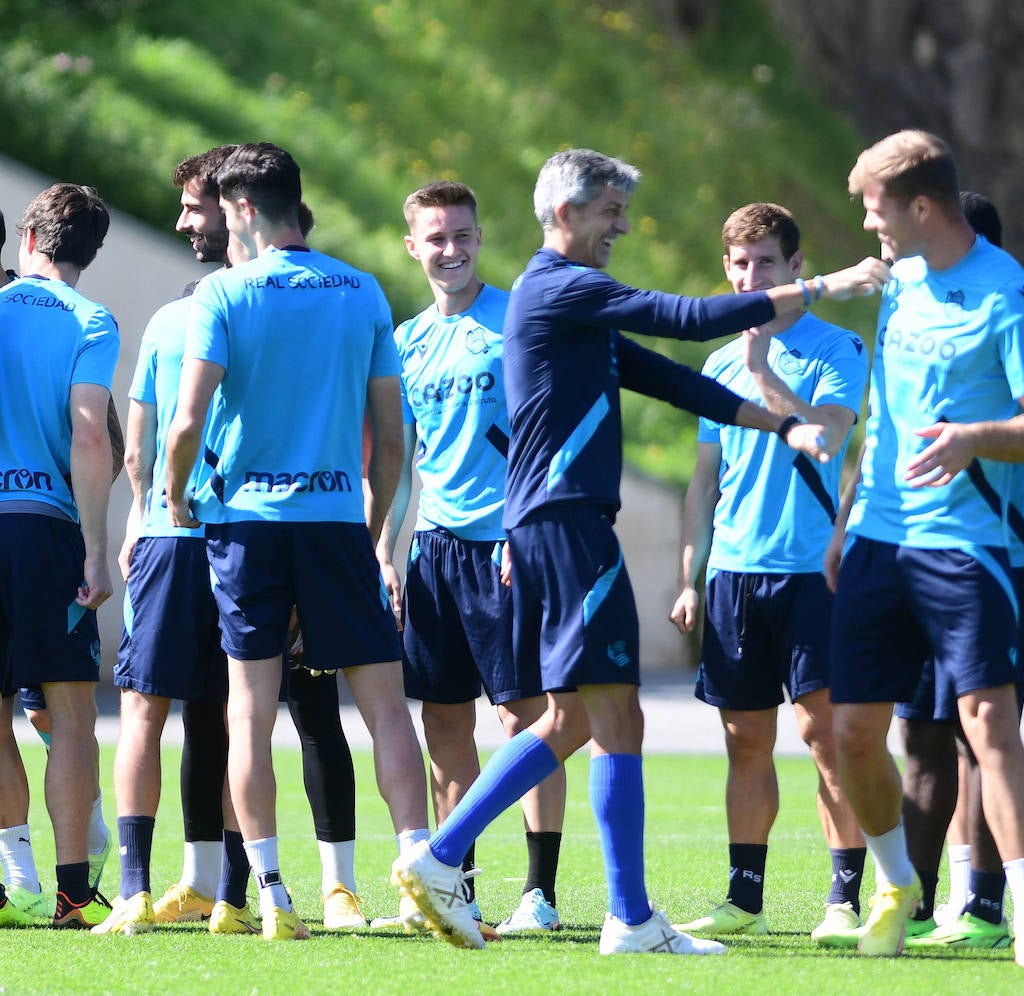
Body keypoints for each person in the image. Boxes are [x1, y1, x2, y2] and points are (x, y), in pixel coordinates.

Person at [390, 147, 888, 955]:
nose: (621, 225)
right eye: (610, 210)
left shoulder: (567, 307)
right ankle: (510, 878)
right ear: (566, 213)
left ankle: (562, 895)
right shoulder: (559, 285)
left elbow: (674, 380)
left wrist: (784, 426)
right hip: (567, 526)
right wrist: (829, 284)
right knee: (605, 712)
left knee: (581, 715)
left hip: (556, 527)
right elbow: (690, 319)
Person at [164, 142, 428, 942]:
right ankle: (423, 874)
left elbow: (185, 422)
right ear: (292, 200)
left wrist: (177, 503)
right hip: (338, 523)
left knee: (248, 711)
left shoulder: (225, 294)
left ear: (241, 207)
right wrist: (374, 526)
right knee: (384, 707)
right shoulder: (364, 291)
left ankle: (272, 894)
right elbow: (391, 435)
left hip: (248, 528)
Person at [823, 130, 1024, 967]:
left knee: (986, 721)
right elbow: (885, 413)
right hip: (878, 540)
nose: (868, 225)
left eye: (874, 208)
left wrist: (974, 438)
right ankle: (897, 885)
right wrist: (846, 519)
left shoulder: (1011, 295)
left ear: (922, 207)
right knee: (852, 729)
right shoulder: (903, 285)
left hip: (967, 540)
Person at [668, 203, 869, 942]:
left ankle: (844, 901)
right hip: (735, 577)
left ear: (795, 270)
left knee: (826, 735)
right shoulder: (716, 362)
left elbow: (828, 437)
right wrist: (692, 575)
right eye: (741, 264)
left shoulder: (837, 347)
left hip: (812, 573)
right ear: (728, 270)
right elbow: (703, 481)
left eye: (768, 264)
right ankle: (743, 899)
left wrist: (762, 373)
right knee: (743, 739)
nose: (754, 276)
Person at [375, 180, 566, 935]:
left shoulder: (516, 319)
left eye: (463, 235)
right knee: (444, 724)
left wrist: (529, 530)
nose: (451, 250)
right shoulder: (406, 339)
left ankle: (539, 894)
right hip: (433, 552)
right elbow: (397, 455)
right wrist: (385, 550)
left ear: (480, 239)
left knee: (528, 717)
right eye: (437, 238)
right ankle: (457, 890)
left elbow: (543, 437)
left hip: (506, 548)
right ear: (412, 246)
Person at [903, 191, 1024, 951]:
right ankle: (915, 897)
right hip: (923, 551)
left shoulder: (1010, 311)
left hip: (1006, 556)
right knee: (924, 733)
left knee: (983, 730)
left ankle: (988, 905)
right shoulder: (922, 320)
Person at [0, 183, 117, 929]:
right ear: (90, 251)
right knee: (70, 713)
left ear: (30, 239)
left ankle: (16, 877)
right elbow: (90, 435)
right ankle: (74, 894)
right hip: (46, 530)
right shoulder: (92, 319)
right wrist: (98, 549)